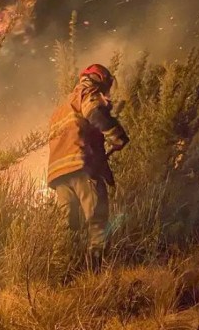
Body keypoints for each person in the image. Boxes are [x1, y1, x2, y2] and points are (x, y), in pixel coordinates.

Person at [47, 64, 129, 272]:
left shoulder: (62, 106)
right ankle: (96, 274)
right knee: (97, 220)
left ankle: (63, 275)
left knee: (67, 227)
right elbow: (96, 115)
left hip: (59, 173)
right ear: (100, 81)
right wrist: (117, 136)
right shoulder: (88, 93)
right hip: (82, 166)